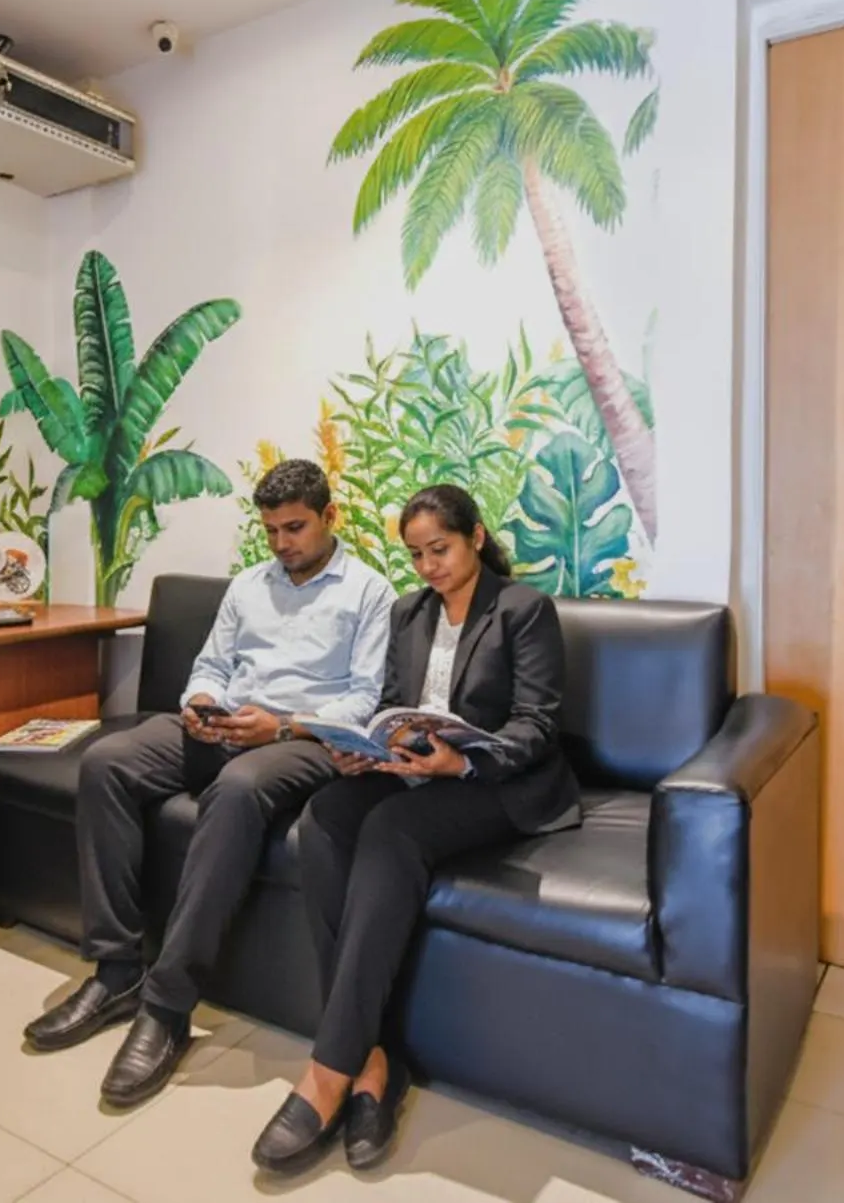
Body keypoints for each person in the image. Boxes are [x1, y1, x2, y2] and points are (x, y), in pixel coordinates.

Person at [23, 459, 395, 1109]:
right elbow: (212, 664)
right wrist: (200, 700)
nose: (282, 543)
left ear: (329, 517)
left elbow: (364, 702)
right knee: (106, 761)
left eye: (296, 527)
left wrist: (280, 725)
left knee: (237, 789)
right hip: (224, 725)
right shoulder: (250, 585)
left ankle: (166, 1006)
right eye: (272, 529)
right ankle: (115, 971)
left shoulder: (370, 592)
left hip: (302, 741)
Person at [250, 483, 581, 1175]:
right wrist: (359, 745)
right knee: (327, 816)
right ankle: (376, 1061)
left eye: (441, 549)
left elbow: (537, 726)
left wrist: (463, 758)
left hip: (498, 783)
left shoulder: (523, 610)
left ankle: (332, 1069)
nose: (428, 565)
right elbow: (389, 703)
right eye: (416, 554)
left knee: (394, 831)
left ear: (477, 538)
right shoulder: (409, 613)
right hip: (414, 768)